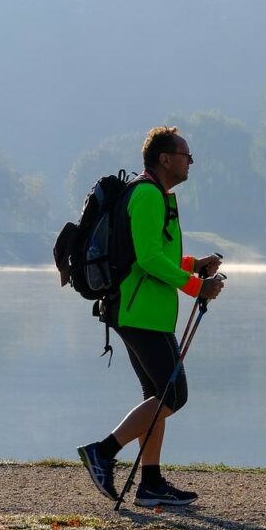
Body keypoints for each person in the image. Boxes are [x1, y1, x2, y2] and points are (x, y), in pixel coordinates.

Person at [78, 125, 224, 507]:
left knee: (156, 396)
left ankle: (151, 484)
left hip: (147, 312)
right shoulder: (146, 195)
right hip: (139, 312)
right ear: (164, 158)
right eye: (185, 154)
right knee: (174, 394)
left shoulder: (158, 195)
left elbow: (159, 255)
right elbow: (148, 258)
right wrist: (197, 287)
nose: (190, 161)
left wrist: (194, 266)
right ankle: (103, 452)